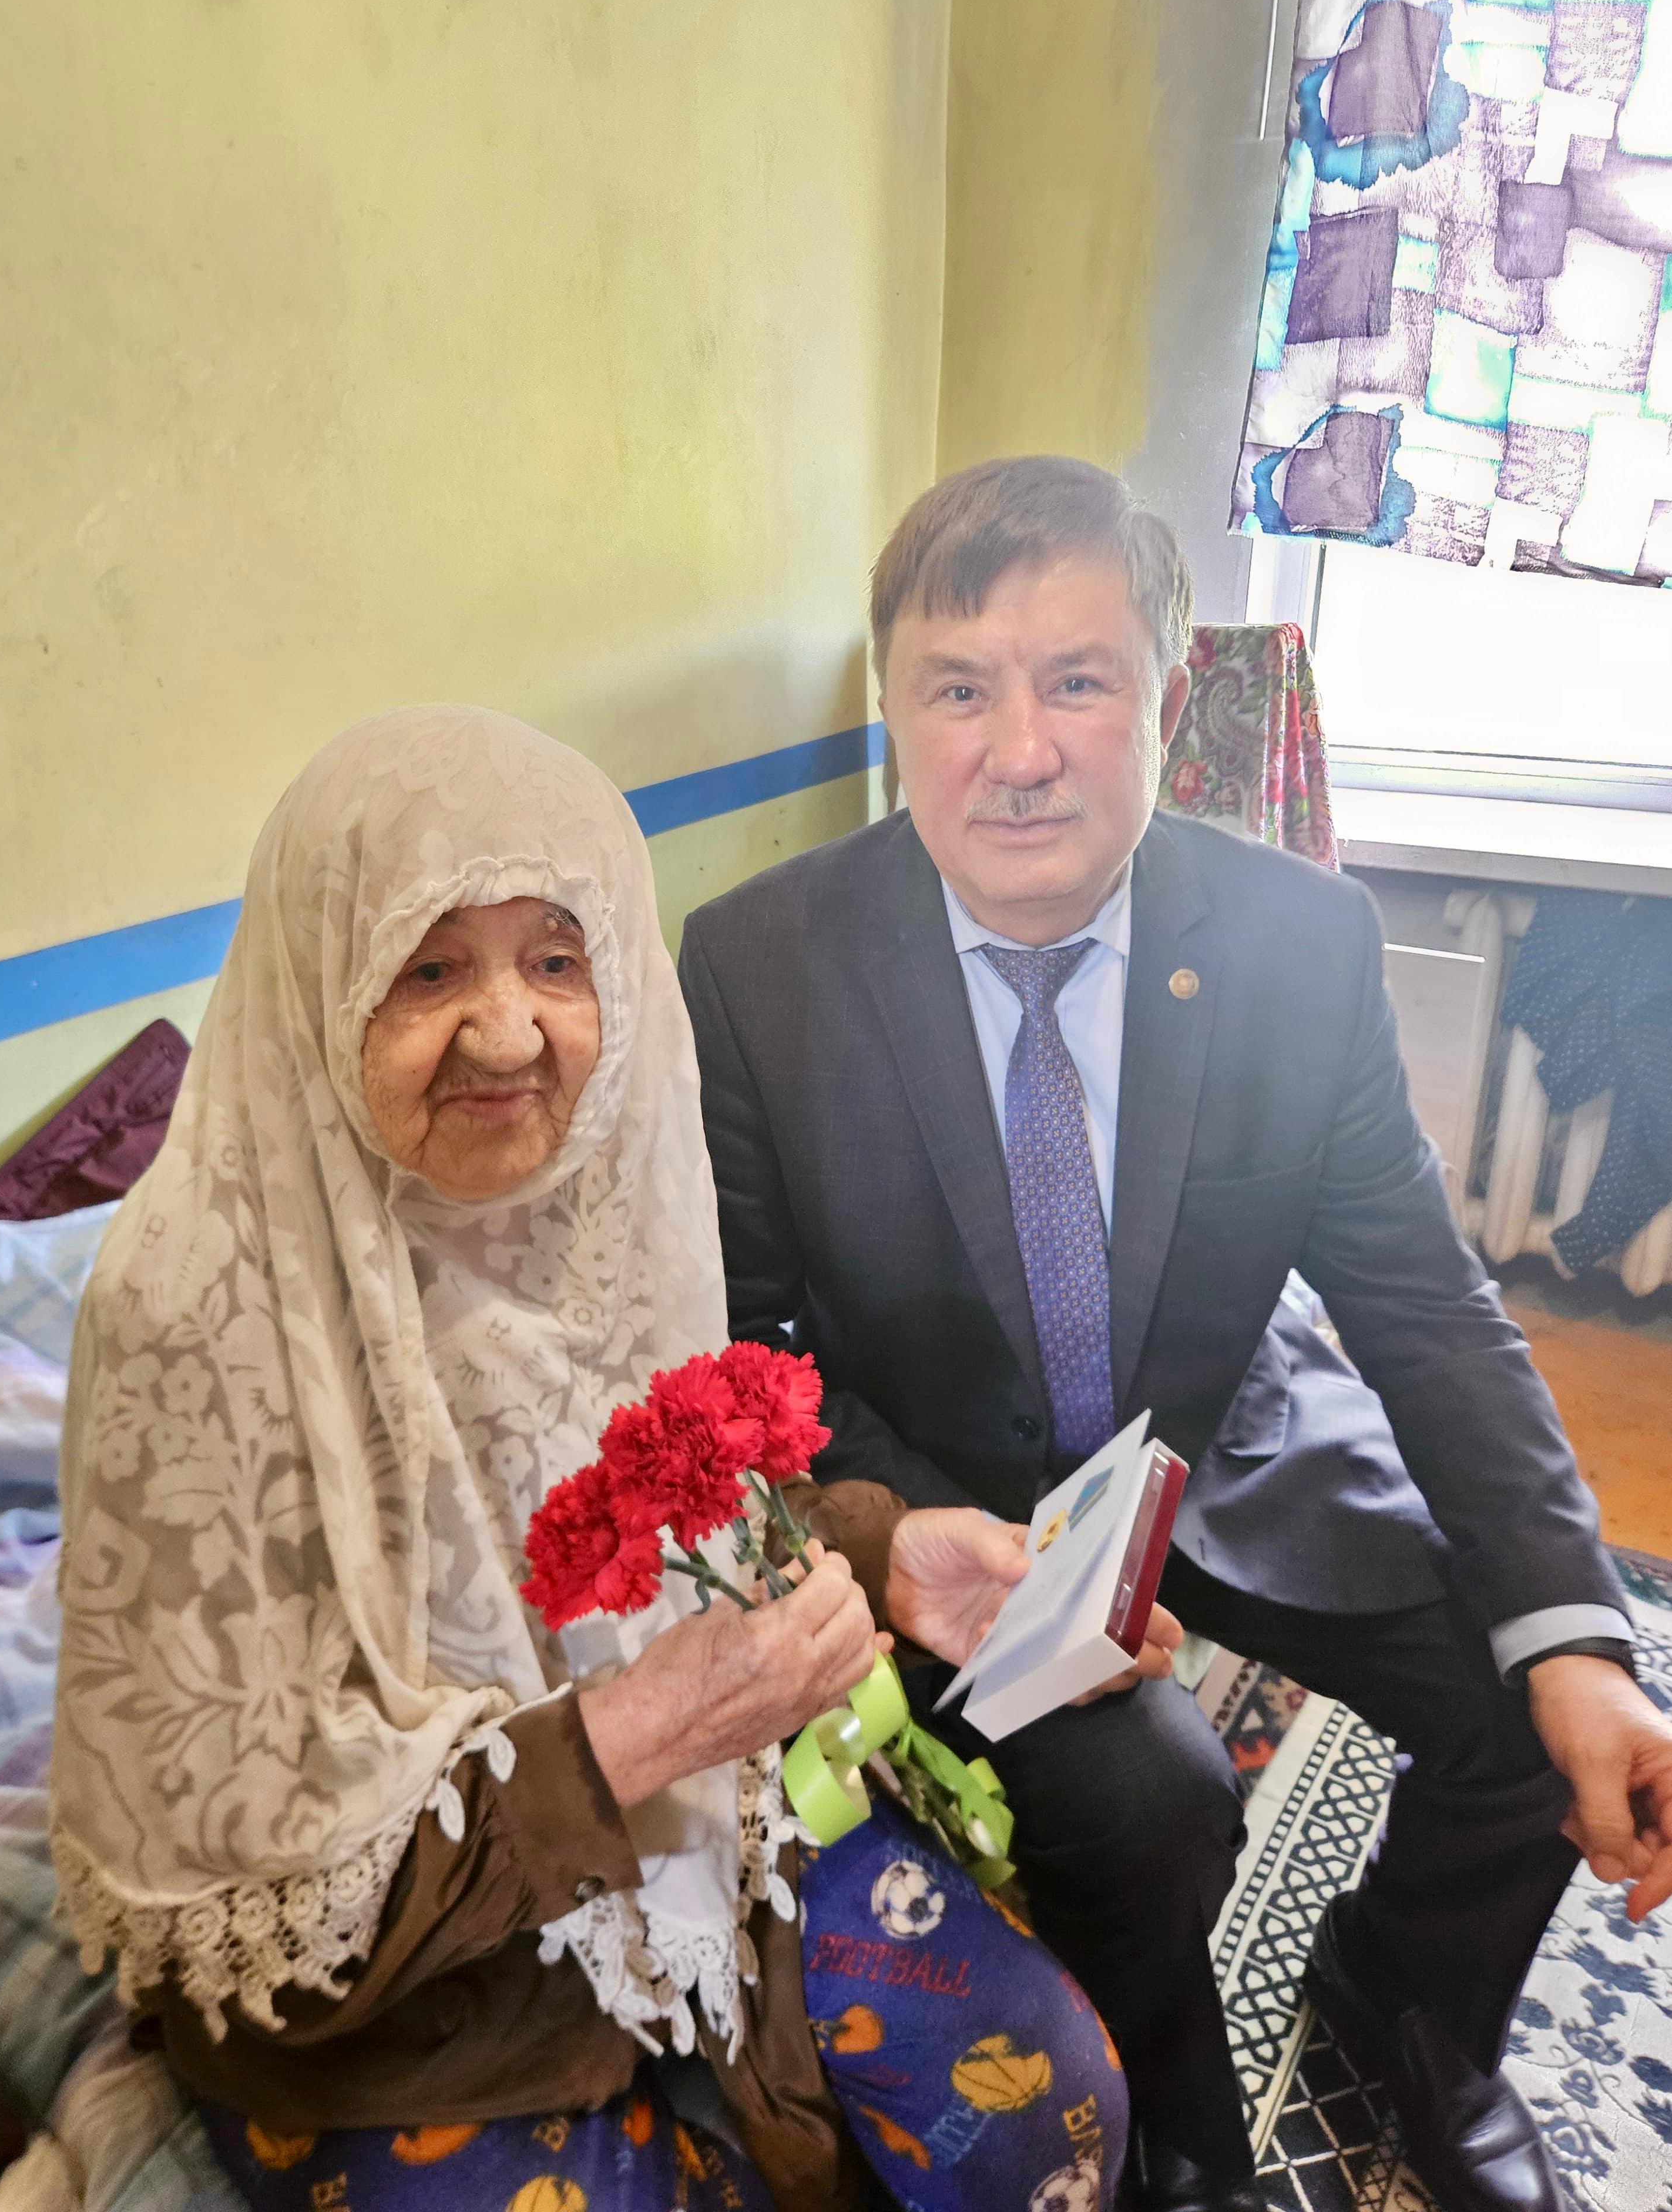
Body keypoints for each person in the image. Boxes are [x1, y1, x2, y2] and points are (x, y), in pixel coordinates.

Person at [678, 458, 1672, 2212]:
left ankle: (1408, 2000)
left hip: (1225, 1432)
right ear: (894, 706)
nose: (1021, 751)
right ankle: (1169, 2105)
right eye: (959, 689)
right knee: (1151, 1799)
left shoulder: (1298, 943)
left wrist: (1580, 1634)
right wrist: (898, 1528)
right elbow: (749, 1342)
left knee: (1531, 1684)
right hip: (959, 1505)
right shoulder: (761, 966)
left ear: (1166, 691)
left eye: (1078, 681)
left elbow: (1426, 1308)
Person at [49, 704, 1129, 2212]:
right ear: (321, 979)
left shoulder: (602, 1184)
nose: (508, 1034)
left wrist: (884, 1552)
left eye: (557, 959)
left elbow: (656, 1498)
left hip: (700, 1810)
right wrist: (626, 1736)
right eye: (430, 968)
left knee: (1045, 2113)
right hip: (399, 2007)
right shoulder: (195, 1308)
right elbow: (248, 1891)